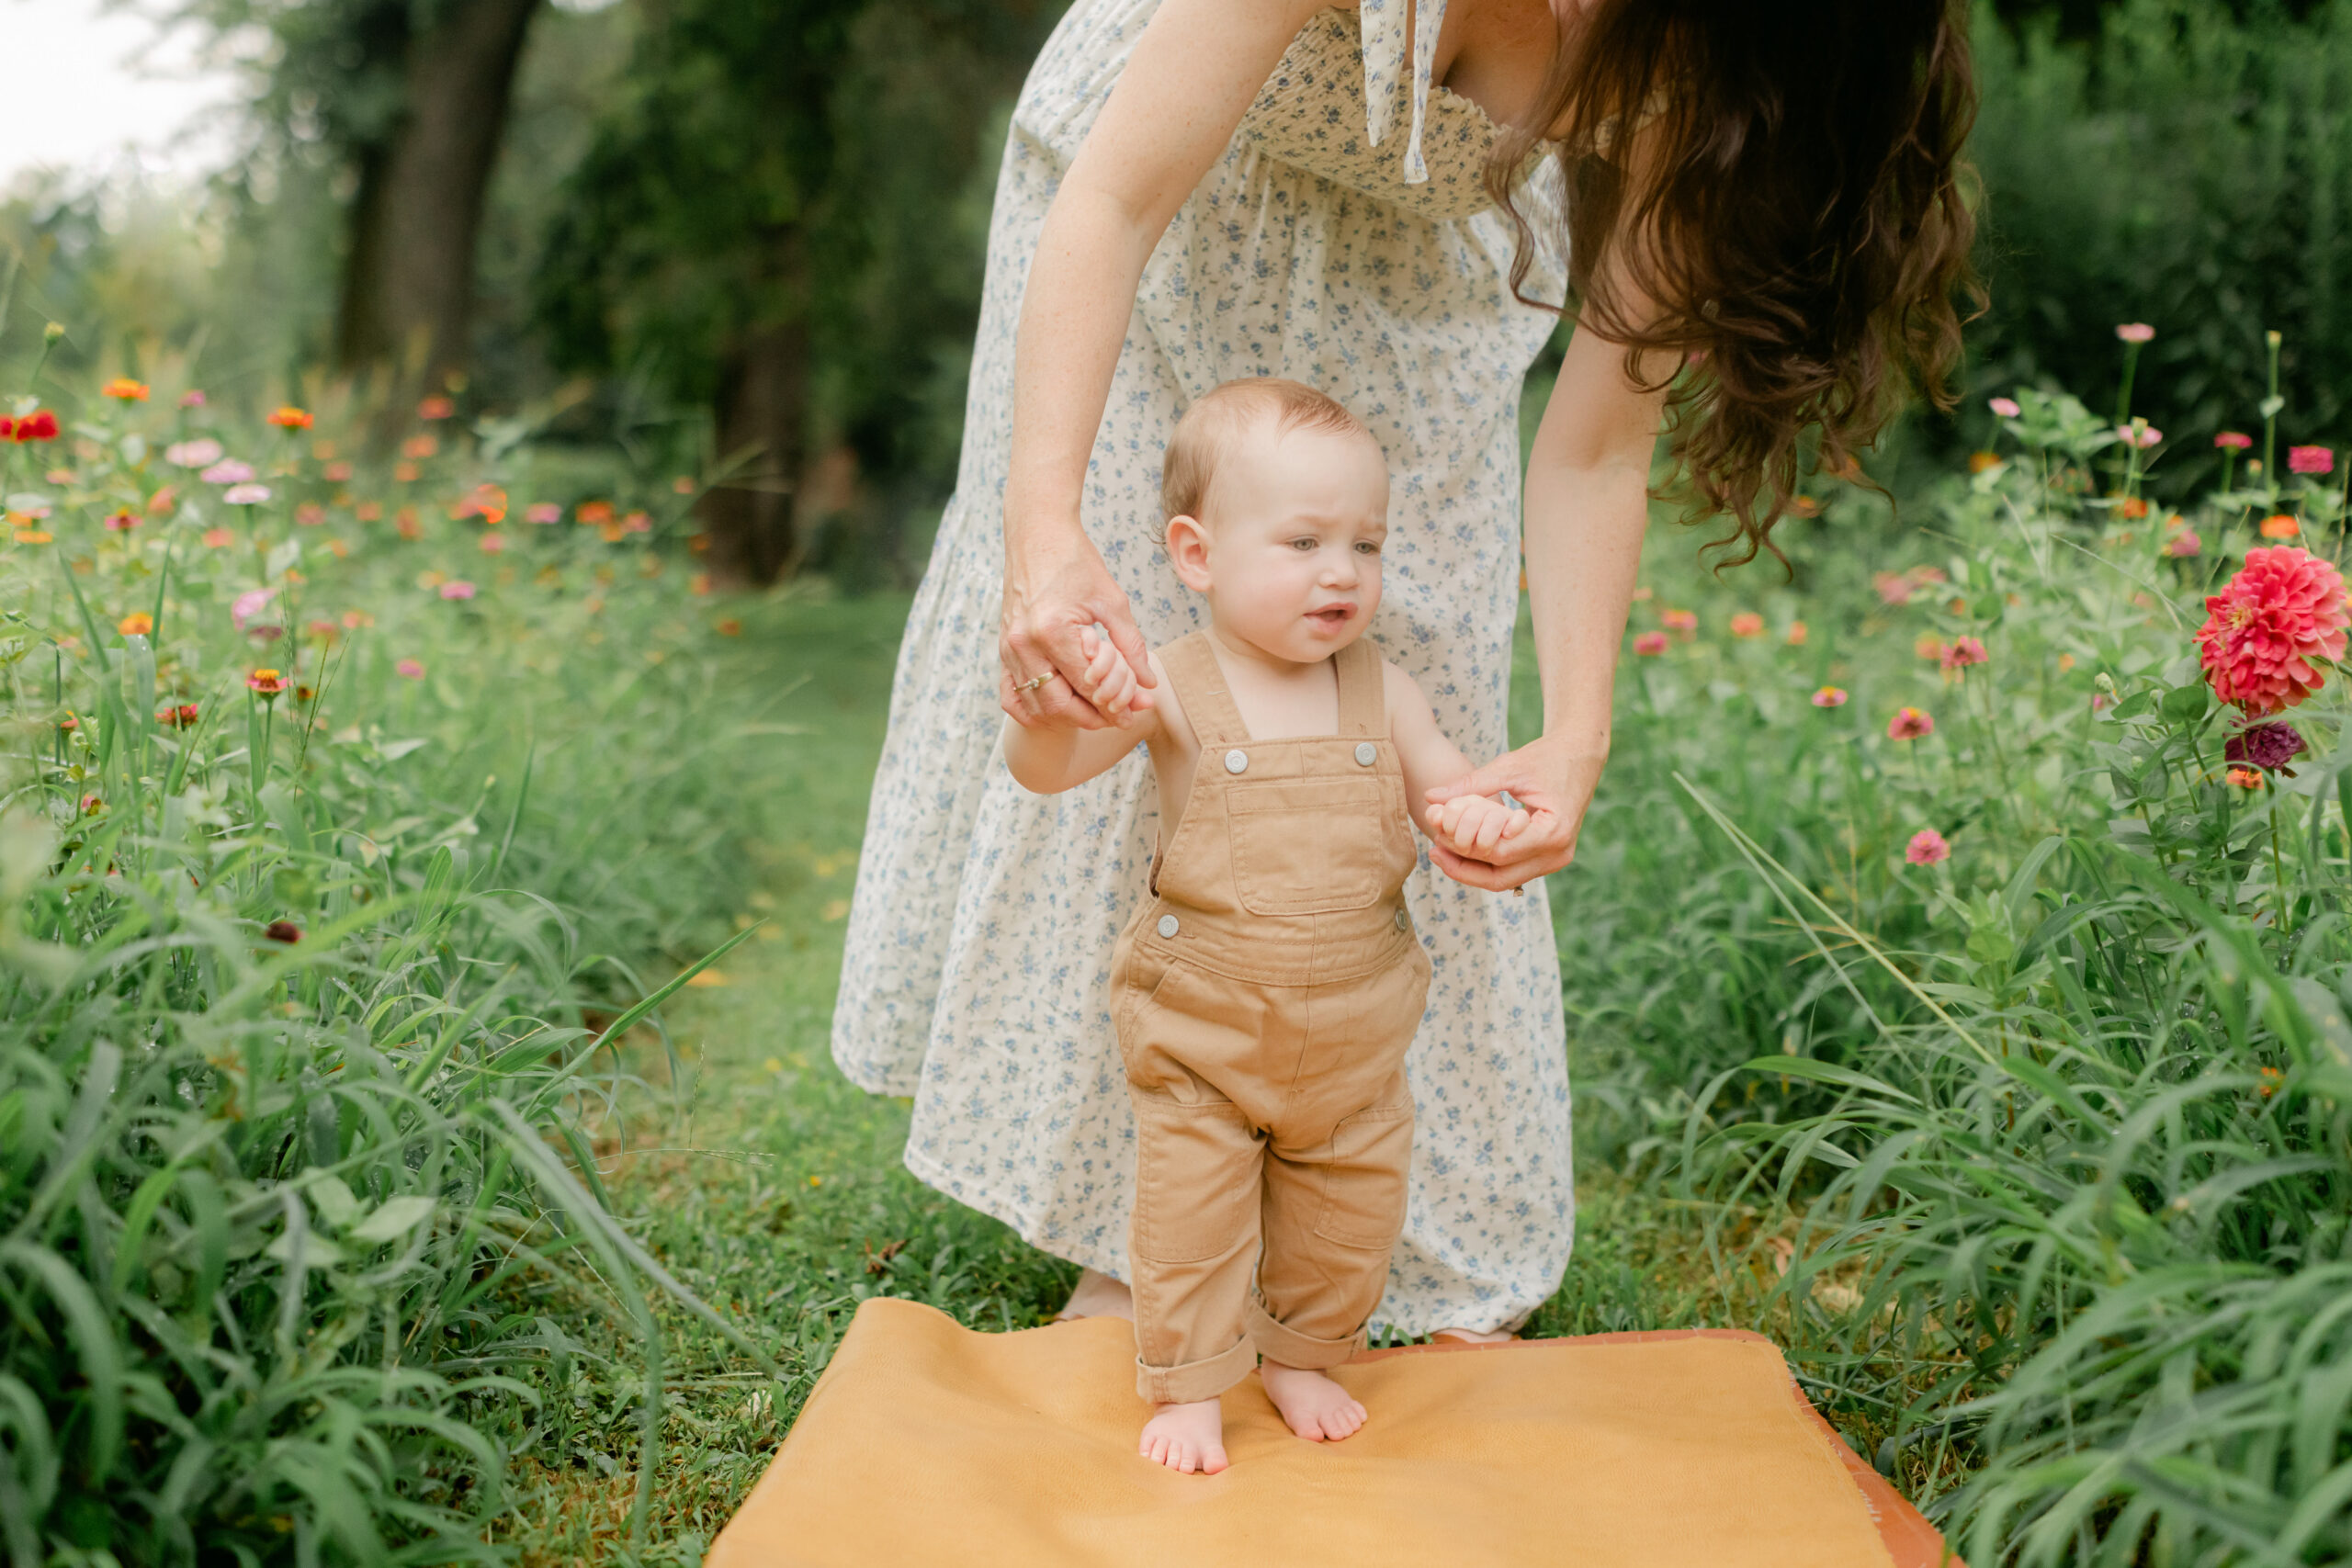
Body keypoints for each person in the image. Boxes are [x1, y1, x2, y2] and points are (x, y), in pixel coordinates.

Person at [832, 0, 1975, 1339]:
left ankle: (1342, 1194)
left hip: (1419, 281)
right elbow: (1115, 204)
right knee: (1167, 661)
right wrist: (1045, 530)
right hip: (1153, 231)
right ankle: (1139, 1229)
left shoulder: (1716, 59)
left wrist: (1574, 738)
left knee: (1391, 685)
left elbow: (1599, 445)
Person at [1004, 378, 1528, 1473]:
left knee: (1346, 1219)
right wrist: (1046, 723)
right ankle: (1191, 1382)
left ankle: (1300, 1354)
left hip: (1354, 1036)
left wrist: (1478, 812)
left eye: (1365, 545)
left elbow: (1443, 790)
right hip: (1206, 1032)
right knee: (1191, 1219)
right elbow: (1051, 773)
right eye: (1302, 541)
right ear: (1196, 555)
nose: (1341, 572)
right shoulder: (1174, 688)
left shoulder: (1384, 690)